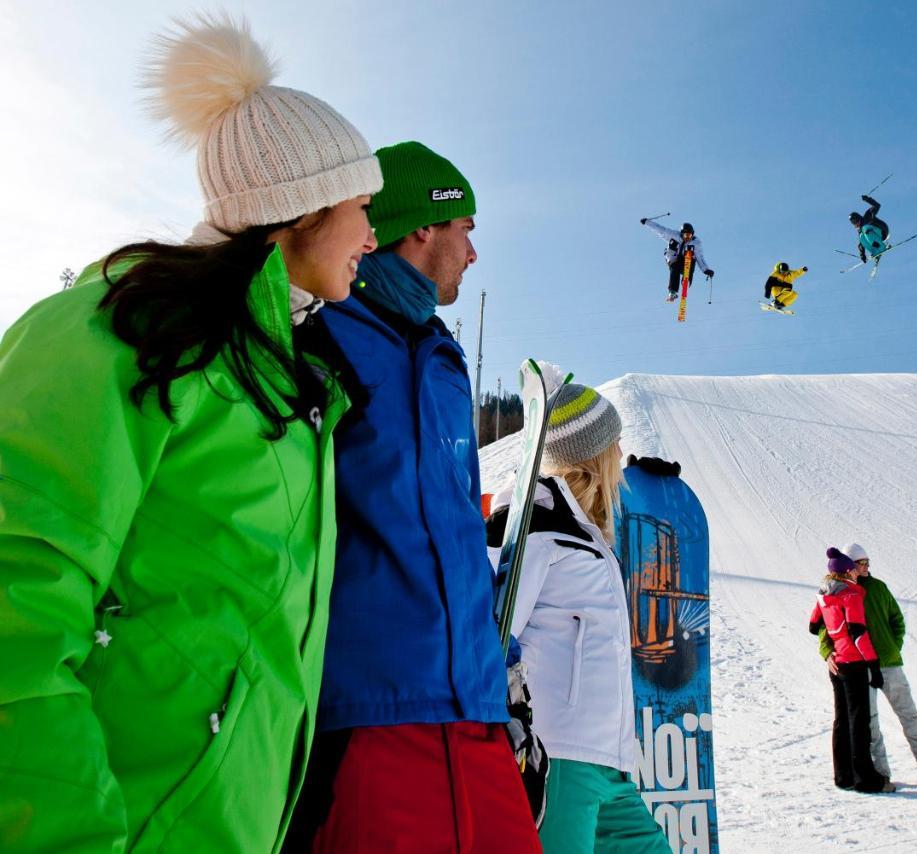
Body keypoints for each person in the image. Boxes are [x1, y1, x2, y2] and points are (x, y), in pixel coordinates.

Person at [0, 15, 382, 851]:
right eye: (361, 206)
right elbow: (15, 598)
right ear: (299, 207)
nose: (371, 235)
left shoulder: (288, 392)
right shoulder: (125, 337)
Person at [285, 142, 542, 852]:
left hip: (475, 709)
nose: (474, 251)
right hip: (370, 709)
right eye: (466, 226)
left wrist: (502, 659)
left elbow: (457, 529)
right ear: (421, 226)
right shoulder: (319, 337)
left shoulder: (442, 359)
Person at [487, 376, 670, 853]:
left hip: (609, 763)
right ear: (595, 455)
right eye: (615, 444)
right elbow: (491, 633)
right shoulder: (536, 528)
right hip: (560, 757)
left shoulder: (585, 534)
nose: (622, 454)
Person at [818, 545, 917, 790]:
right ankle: (880, 774)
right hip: (860, 667)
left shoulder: (878, 588)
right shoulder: (839, 593)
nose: (866, 567)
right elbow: (825, 630)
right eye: (861, 563)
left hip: (888, 664)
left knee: (910, 716)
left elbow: (897, 620)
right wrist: (828, 654)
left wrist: (893, 647)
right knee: (870, 725)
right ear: (849, 565)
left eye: (868, 562)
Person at [809, 547, 895, 794]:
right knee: (859, 721)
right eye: (853, 570)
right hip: (854, 663)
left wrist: (834, 639)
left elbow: (814, 626)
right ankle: (866, 780)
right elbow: (858, 633)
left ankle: (843, 775)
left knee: (842, 719)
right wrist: (873, 664)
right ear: (847, 571)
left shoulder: (824, 594)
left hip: (837, 665)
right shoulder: (851, 595)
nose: (858, 574)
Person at [640, 218, 714, 301]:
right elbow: (659, 229)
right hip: (673, 258)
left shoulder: (696, 243)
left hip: (686, 261)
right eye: (686, 235)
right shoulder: (673, 235)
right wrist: (647, 222)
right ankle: (673, 292)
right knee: (675, 267)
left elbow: (700, 257)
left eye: (690, 235)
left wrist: (706, 270)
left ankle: (686, 281)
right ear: (682, 234)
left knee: (691, 257)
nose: (688, 238)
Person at [848, 194, 891, 263]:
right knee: (862, 237)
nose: (855, 223)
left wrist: (867, 199)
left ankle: (882, 247)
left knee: (865, 229)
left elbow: (877, 205)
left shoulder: (867, 216)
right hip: (875, 236)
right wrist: (863, 255)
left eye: (855, 221)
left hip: (882, 231)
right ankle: (876, 252)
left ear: (858, 218)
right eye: (852, 222)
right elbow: (861, 245)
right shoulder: (860, 231)